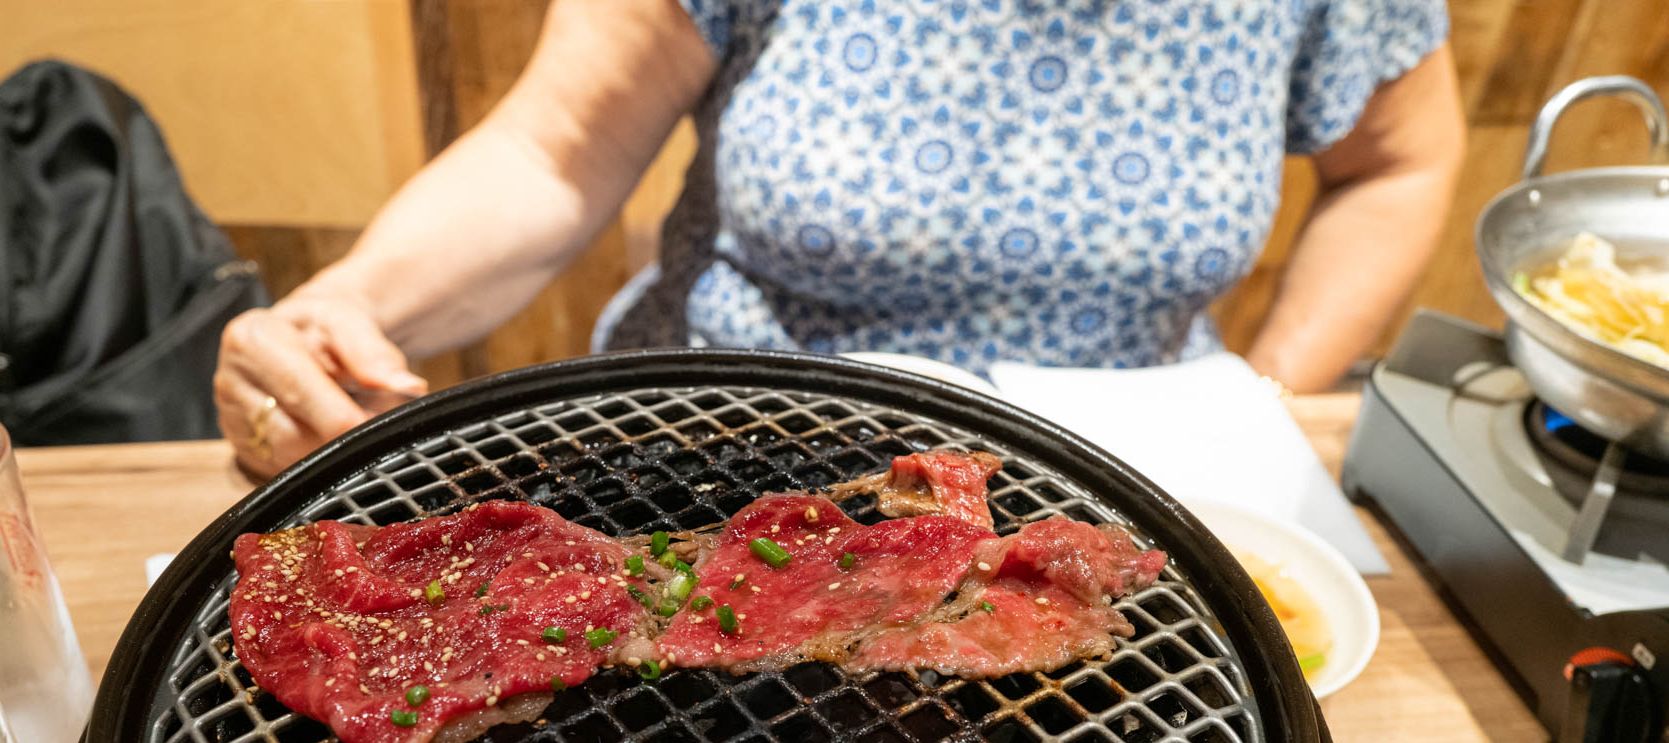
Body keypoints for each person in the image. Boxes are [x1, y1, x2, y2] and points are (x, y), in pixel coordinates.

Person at [215, 0, 1464, 476]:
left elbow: (1401, 163)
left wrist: (1263, 401)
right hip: (724, 453)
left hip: (1099, 478)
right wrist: (350, 308)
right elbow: (555, 150)